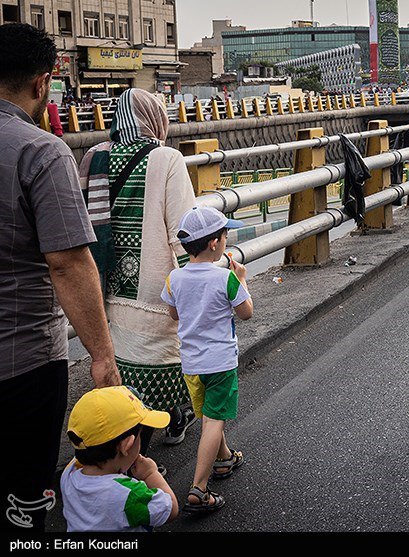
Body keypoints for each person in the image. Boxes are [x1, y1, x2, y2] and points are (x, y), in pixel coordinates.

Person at [0, 23, 120, 533]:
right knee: (21, 498)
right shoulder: (40, 151)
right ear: (42, 83)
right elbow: (68, 262)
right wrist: (102, 356)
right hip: (21, 360)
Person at [78, 88, 199, 455]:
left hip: (106, 283)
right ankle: (140, 457)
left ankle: (131, 454)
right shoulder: (167, 158)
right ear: (154, 119)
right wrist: (198, 286)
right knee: (158, 366)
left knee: (124, 368)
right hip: (153, 288)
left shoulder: (93, 156)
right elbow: (184, 232)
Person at [161, 206, 253, 513]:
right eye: (225, 235)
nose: (227, 240)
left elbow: (174, 313)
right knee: (214, 420)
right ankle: (199, 488)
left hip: (191, 364)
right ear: (214, 243)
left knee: (209, 415)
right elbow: (246, 312)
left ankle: (224, 458)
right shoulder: (225, 278)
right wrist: (241, 279)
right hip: (220, 363)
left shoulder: (174, 278)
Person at [60, 386, 179, 531]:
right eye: (139, 436)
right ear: (127, 446)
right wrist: (150, 474)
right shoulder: (129, 494)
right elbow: (171, 509)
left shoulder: (69, 473)